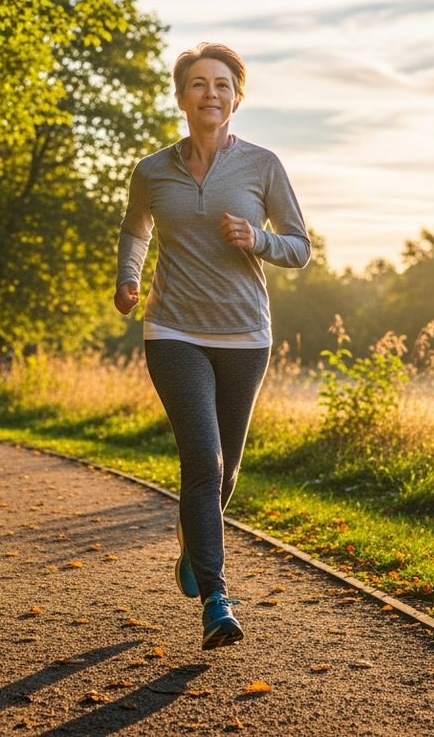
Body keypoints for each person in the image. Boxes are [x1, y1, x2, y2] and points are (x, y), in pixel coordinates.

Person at [114, 43, 311, 650]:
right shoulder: (152, 170)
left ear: (237, 98)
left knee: (225, 476)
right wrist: (128, 275)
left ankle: (193, 546)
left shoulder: (262, 165)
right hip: (172, 329)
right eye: (198, 84)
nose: (210, 94)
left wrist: (258, 239)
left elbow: (301, 247)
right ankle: (217, 599)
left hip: (246, 335)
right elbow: (136, 228)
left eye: (222, 85)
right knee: (204, 462)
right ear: (180, 97)